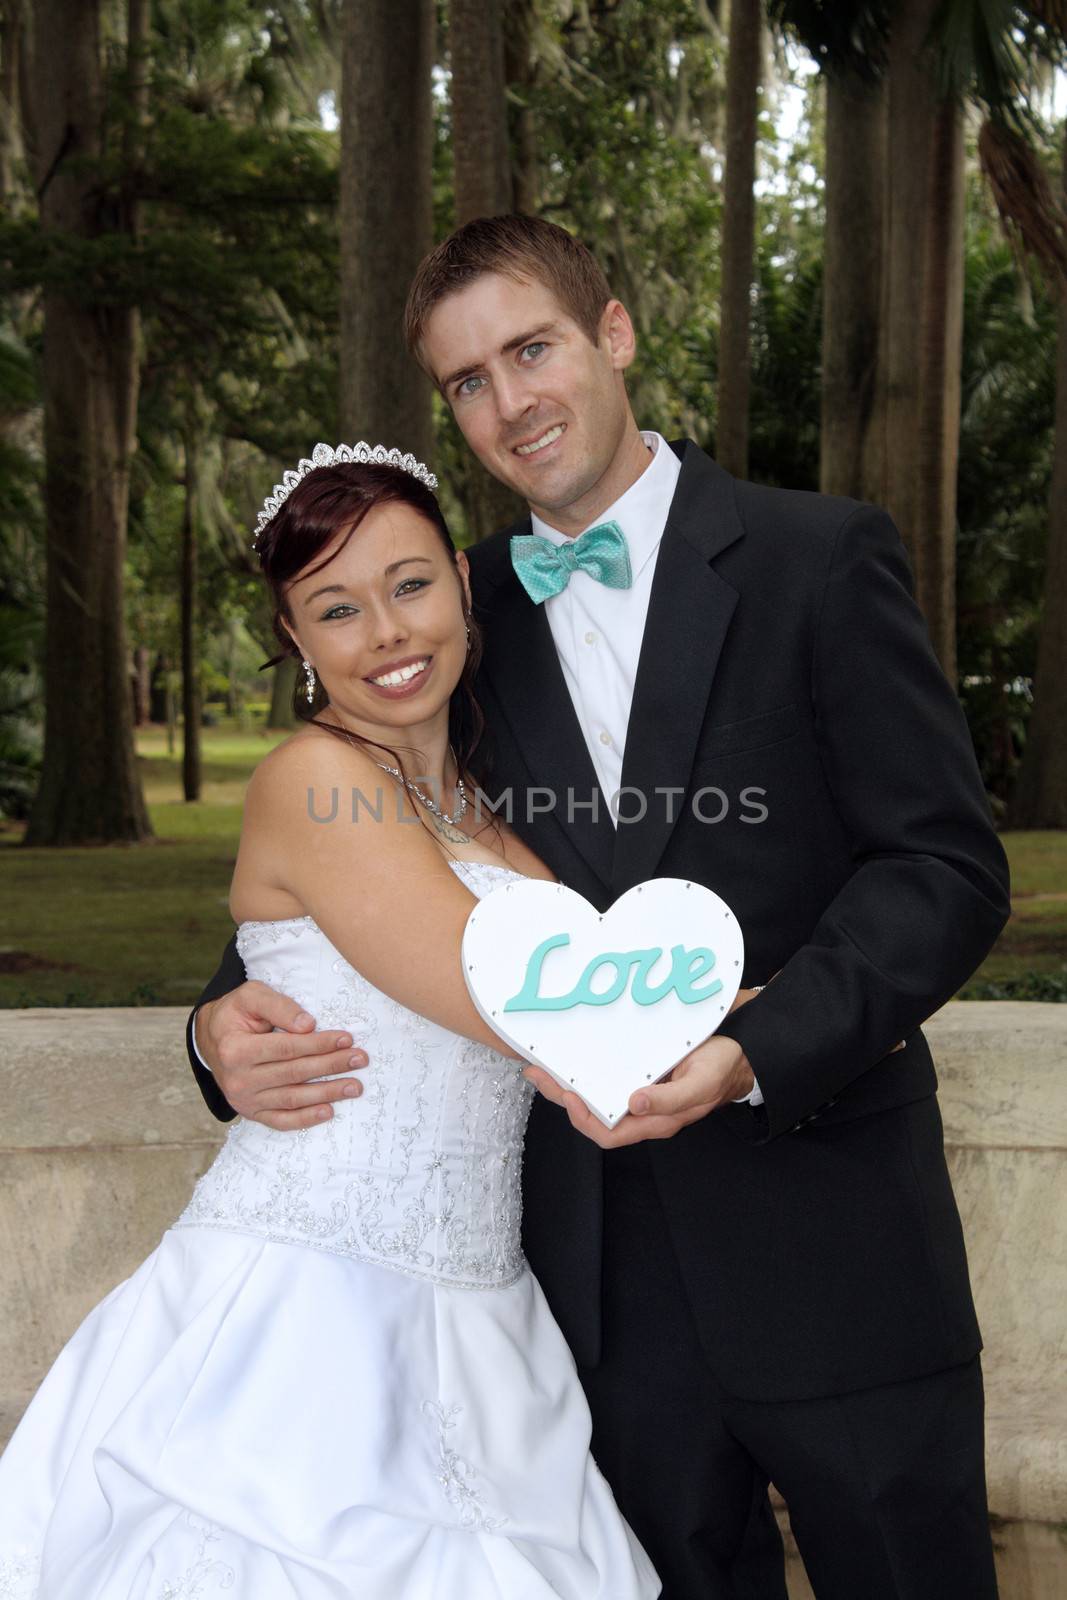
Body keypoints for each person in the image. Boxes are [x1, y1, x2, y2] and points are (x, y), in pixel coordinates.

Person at [189, 216, 1011, 1600]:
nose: (508, 403)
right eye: (466, 380)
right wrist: (215, 1027)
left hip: (831, 1245)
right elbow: (344, 856)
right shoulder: (447, 611)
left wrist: (757, 1047)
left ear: (612, 334)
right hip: (587, 1290)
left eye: (531, 349)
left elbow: (941, 867)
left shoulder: (818, 559)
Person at [0, 450, 663, 1598]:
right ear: (294, 635)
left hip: (483, 1306)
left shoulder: (486, 801)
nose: (386, 634)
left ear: (461, 580)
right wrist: (766, 1021)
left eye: (409, 585)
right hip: (307, 1308)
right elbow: (514, 993)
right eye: (335, 609)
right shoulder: (312, 782)